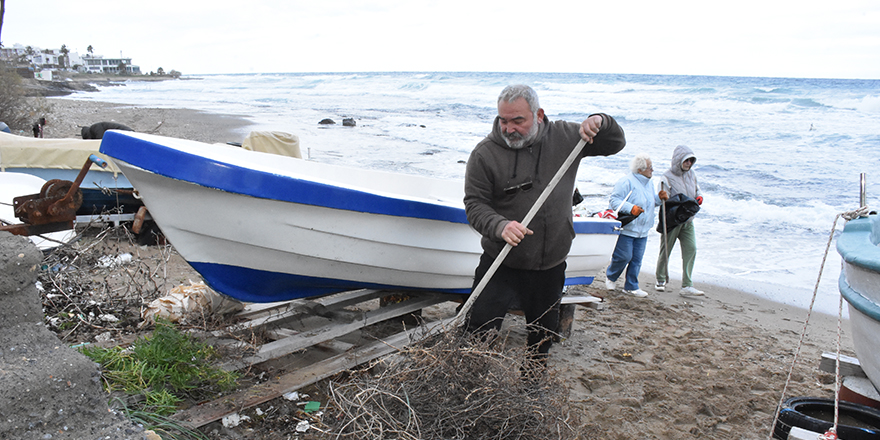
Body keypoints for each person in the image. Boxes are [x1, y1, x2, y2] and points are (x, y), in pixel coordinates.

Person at [463, 84, 626, 361]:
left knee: (542, 336)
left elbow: (615, 143)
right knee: (478, 330)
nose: (509, 128)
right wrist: (500, 226)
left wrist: (600, 121)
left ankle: (532, 388)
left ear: (538, 115)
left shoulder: (565, 137)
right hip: (501, 259)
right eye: (503, 120)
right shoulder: (485, 154)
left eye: (518, 121)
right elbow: (474, 205)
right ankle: (473, 386)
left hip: (549, 263)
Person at [604, 153, 667, 297]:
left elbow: (649, 203)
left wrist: (659, 198)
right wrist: (631, 208)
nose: (652, 170)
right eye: (650, 168)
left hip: (643, 229)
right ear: (640, 170)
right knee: (624, 256)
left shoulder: (649, 183)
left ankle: (631, 286)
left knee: (637, 259)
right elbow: (614, 201)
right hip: (628, 227)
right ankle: (611, 276)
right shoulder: (626, 182)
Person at [654, 145, 704, 296]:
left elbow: (697, 189)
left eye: (691, 160)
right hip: (672, 219)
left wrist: (699, 197)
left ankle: (687, 285)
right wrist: (664, 197)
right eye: (686, 160)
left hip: (688, 219)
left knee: (691, 249)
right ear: (678, 160)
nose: (688, 163)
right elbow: (663, 195)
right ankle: (660, 279)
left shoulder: (692, 175)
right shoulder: (667, 176)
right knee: (666, 250)